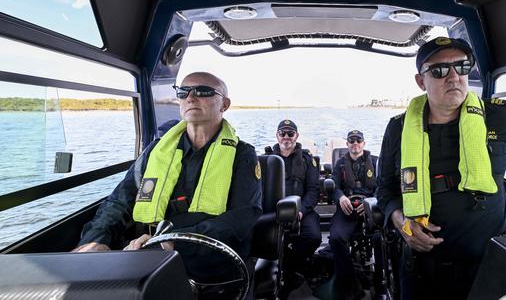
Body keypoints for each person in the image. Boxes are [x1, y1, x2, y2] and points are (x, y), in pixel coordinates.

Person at [376, 37, 506, 299]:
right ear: (421, 81)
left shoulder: (503, 118)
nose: (453, 77)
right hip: (422, 269)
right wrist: (404, 225)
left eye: (462, 67)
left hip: (488, 265)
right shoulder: (398, 129)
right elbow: (384, 189)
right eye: (440, 71)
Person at [73, 72, 262, 286]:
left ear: (224, 104)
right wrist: (97, 239)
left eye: (203, 91)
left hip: (208, 263)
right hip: (144, 254)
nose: (190, 97)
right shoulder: (156, 151)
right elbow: (120, 201)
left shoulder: (242, 154)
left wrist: (173, 241)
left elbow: (243, 217)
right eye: (183, 92)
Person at [265, 119, 321, 297]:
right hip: (273, 212)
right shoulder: (266, 160)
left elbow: (313, 191)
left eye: (290, 133)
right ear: (277, 136)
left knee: (314, 237)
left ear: (297, 136)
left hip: (301, 210)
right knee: (264, 241)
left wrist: (301, 210)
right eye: (283, 133)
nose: (286, 137)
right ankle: (286, 271)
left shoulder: (307, 160)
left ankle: (293, 269)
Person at [329, 130, 384, 299]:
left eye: (358, 140)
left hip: (369, 210)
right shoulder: (340, 165)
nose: (355, 143)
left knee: (380, 238)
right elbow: (334, 187)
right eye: (351, 141)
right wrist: (340, 197)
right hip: (347, 210)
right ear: (347, 144)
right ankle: (349, 282)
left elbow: (382, 187)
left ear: (363, 143)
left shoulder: (375, 162)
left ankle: (380, 283)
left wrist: (372, 202)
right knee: (336, 238)